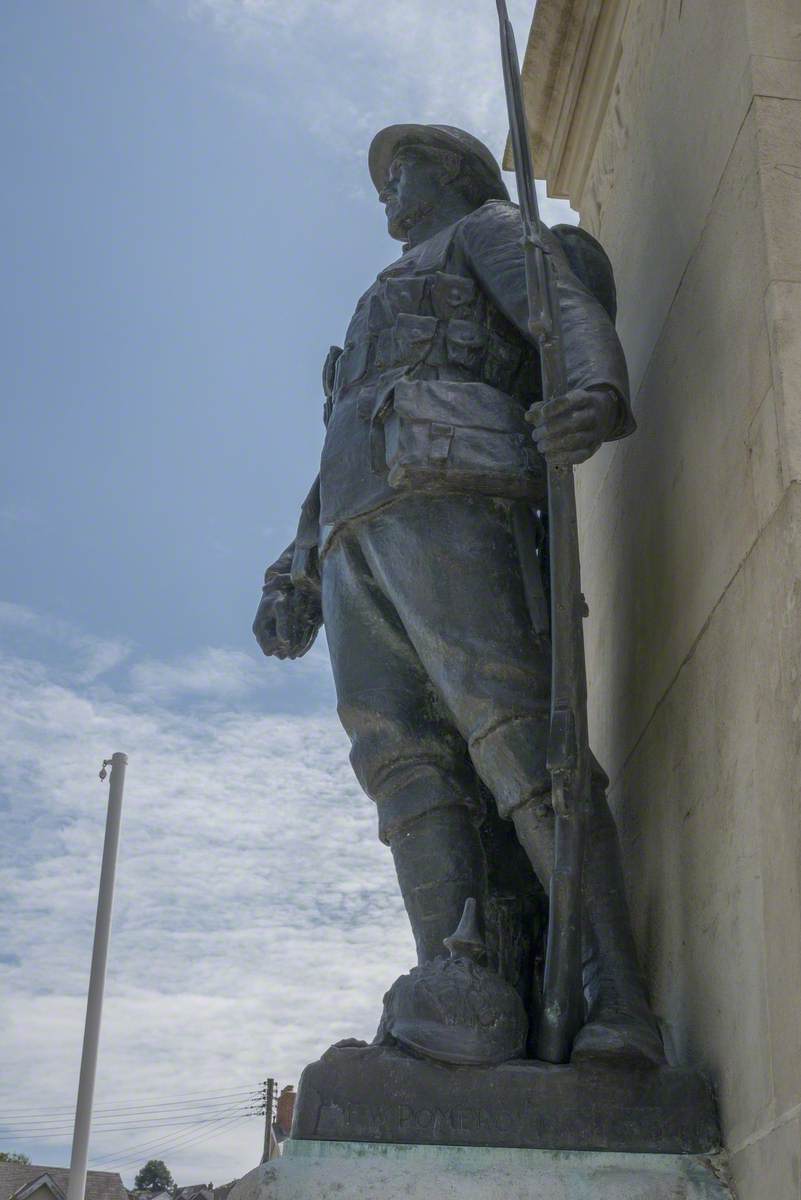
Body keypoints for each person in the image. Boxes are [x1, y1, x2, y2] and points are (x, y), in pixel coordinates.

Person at [252, 124, 663, 1064]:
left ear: (453, 174)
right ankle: (461, 995)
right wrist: (297, 563)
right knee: (401, 768)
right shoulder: (373, 299)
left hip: (454, 490)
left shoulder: (487, 231)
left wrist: (596, 393)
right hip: (359, 523)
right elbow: (346, 424)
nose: (387, 192)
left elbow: (559, 313)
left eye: (403, 173)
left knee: (518, 739)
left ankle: (616, 998)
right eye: (384, 180)